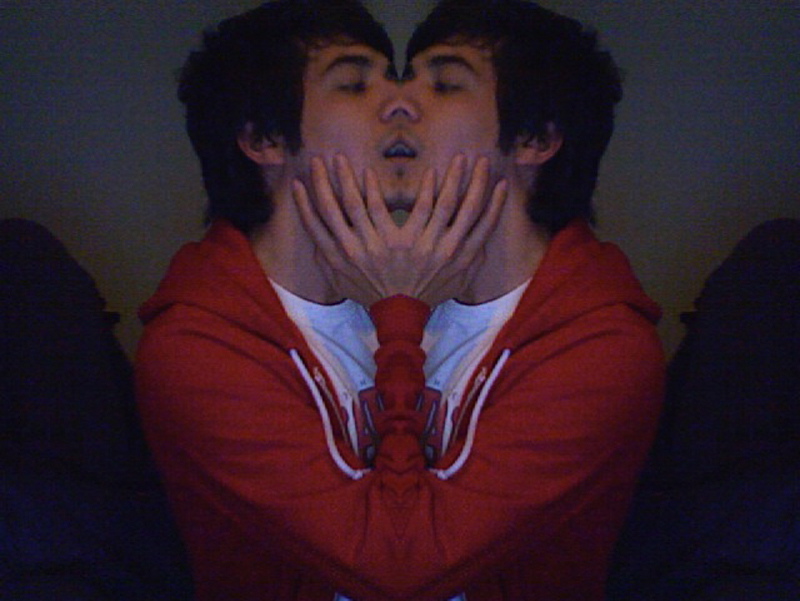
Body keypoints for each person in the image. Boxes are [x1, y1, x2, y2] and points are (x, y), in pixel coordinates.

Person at [137, 2, 664, 601]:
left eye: (442, 86)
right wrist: (399, 319)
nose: (399, 105)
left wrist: (399, 319)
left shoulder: (597, 344)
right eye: (357, 86)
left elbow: (412, 560)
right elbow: (387, 560)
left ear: (535, 139)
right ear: (264, 139)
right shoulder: (203, 344)